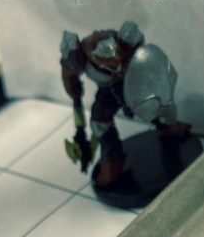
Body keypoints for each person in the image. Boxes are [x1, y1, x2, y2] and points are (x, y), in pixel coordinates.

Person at [60, 21, 189, 187]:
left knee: (152, 107)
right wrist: (71, 85)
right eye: (108, 64)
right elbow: (68, 73)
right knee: (99, 123)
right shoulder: (80, 56)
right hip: (106, 94)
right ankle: (112, 159)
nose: (115, 68)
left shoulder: (127, 46)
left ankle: (167, 125)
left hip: (134, 86)